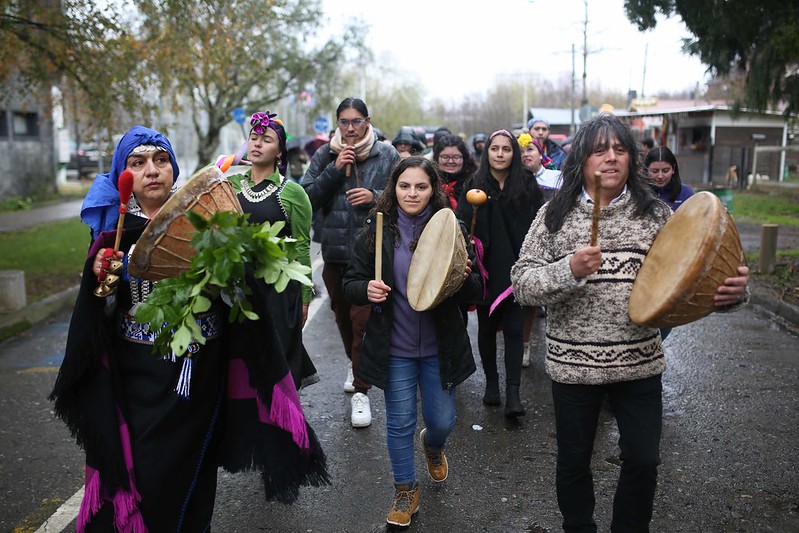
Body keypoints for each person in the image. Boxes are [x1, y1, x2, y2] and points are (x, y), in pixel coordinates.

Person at [50, 126, 328, 532]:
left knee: (196, 473)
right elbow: (96, 315)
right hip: (138, 377)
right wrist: (101, 281)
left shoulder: (209, 224)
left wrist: (227, 273)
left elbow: (240, 295)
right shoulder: (113, 235)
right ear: (122, 174)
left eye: (161, 160)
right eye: (138, 163)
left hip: (199, 372)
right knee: (144, 467)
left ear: (173, 170)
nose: (151, 170)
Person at [510, 114, 750, 532]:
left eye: (619, 149)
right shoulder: (554, 216)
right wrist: (569, 269)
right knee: (573, 461)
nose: (610, 158)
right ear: (581, 159)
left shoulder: (656, 215)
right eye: (599, 150)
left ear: (631, 160)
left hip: (638, 363)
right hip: (574, 367)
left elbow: (689, 280)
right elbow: (521, 285)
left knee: (644, 459)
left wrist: (730, 295)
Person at [342, 156, 481, 527]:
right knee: (399, 423)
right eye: (405, 186)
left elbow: (477, 291)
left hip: (439, 349)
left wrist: (462, 277)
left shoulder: (453, 228)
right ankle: (405, 491)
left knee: (442, 421)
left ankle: (434, 446)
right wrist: (365, 289)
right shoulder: (378, 229)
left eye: (421, 186)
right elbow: (350, 283)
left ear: (434, 189)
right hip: (395, 350)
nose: (412, 193)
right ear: (394, 188)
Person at [301, 97, 401, 428]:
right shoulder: (325, 155)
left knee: (363, 324)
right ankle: (352, 362)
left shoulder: (386, 154)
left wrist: (375, 197)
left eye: (356, 121)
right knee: (343, 320)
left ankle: (361, 391)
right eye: (343, 122)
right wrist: (333, 169)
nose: (350, 129)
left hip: (371, 255)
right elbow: (306, 199)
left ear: (368, 121)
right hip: (334, 253)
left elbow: (405, 195)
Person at [456, 129, 544, 418]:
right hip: (486, 269)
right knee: (487, 328)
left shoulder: (527, 184)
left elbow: (537, 223)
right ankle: (492, 385)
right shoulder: (475, 184)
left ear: (513, 153)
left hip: (517, 267)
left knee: (516, 330)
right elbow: (463, 223)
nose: (500, 154)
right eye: (495, 149)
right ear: (487, 152)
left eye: (506, 149)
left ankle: (514, 394)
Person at [226, 111, 318, 386]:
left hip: (280, 292)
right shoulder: (229, 186)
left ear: (280, 151)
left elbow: (302, 245)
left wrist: (304, 298)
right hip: (239, 290)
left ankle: (285, 423)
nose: (257, 144)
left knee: (279, 368)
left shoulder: (293, 193)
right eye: (253, 138)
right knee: (242, 368)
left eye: (266, 139)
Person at [644, 146, 694, 211]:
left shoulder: (686, 193)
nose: (660, 176)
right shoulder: (639, 194)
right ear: (646, 170)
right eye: (655, 171)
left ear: (673, 168)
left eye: (665, 171)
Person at [519, 132, 562, 202]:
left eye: (530, 149)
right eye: (521, 152)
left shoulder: (558, 177)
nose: (525, 154)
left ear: (540, 155)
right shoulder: (515, 181)